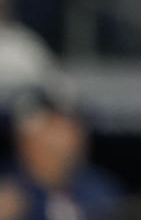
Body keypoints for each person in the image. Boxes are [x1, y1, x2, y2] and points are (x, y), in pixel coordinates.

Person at [0, 85, 125, 220]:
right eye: (45, 129)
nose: (57, 140)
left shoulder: (99, 189)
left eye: (62, 128)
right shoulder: (8, 189)